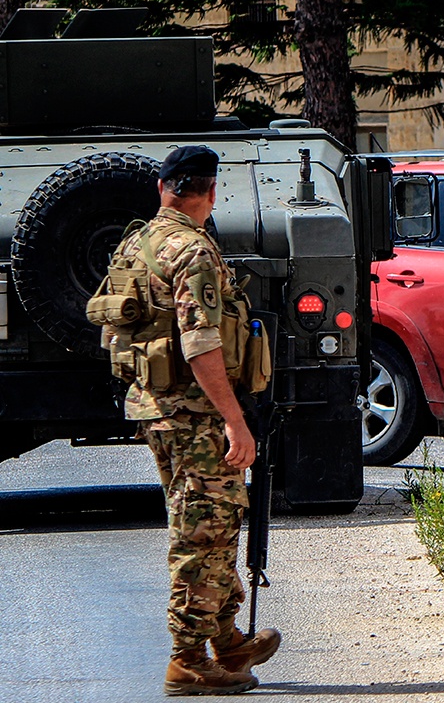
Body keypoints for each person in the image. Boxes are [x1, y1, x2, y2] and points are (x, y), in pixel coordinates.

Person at [99, 146, 281, 694]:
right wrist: (235, 421)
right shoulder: (193, 251)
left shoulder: (136, 242)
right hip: (194, 414)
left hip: (154, 407)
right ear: (210, 192)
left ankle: (225, 639)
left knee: (214, 525)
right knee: (203, 533)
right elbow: (200, 345)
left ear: (163, 188)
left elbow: (114, 330)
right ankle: (187, 659)